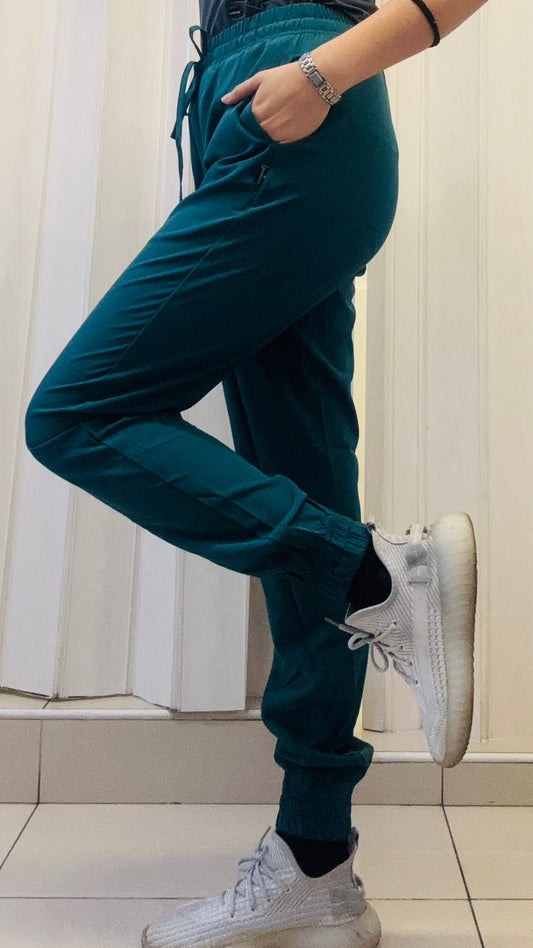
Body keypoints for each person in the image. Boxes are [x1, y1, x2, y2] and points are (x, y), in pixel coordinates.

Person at [24, 0, 486, 945]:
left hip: (295, 90)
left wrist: (320, 73)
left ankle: (376, 576)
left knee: (77, 414)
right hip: (264, 109)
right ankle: (316, 869)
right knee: (305, 493)